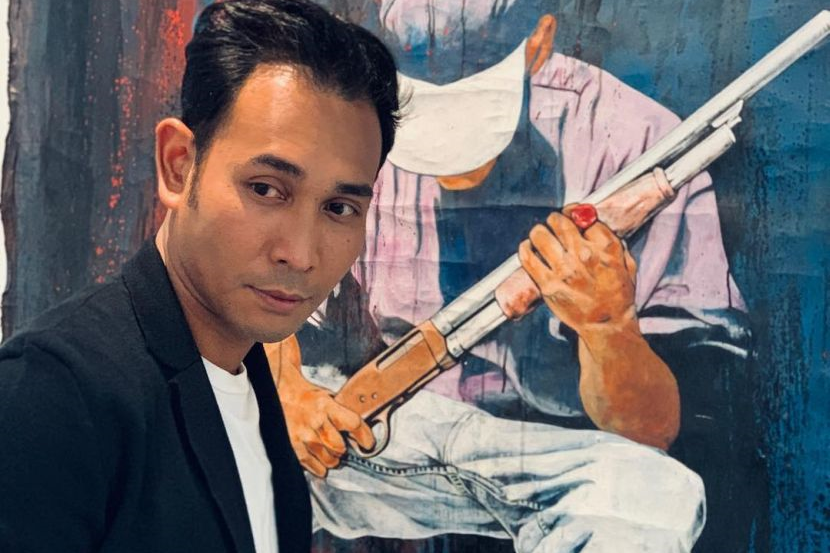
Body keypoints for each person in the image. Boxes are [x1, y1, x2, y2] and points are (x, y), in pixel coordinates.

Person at [268, 1, 751, 552]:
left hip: (554, 457)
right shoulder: (346, 120)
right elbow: (259, 285)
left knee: (653, 496)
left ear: (539, 43)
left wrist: (609, 327)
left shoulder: (631, 140)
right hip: (369, 437)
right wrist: (287, 393)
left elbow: (652, 432)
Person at [0, 1, 400, 552]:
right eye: (266, 189)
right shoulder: (52, 395)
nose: (301, 253)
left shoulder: (249, 378)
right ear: (178, 165)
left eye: (338, 208)